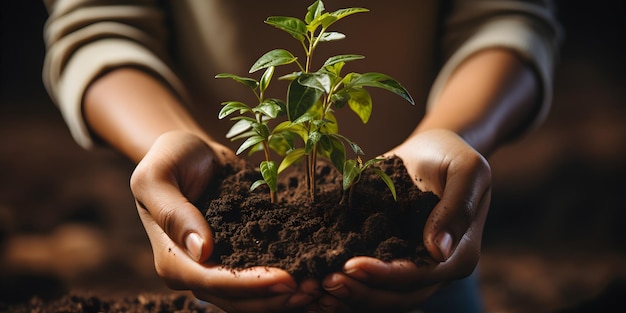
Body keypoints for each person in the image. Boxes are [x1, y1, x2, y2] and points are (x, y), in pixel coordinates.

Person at [42, 0, 561, 312]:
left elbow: (508, 15)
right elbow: (97, 21)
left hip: (414, 242)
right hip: (231, 262)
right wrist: (170, 141)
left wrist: (451, 132)